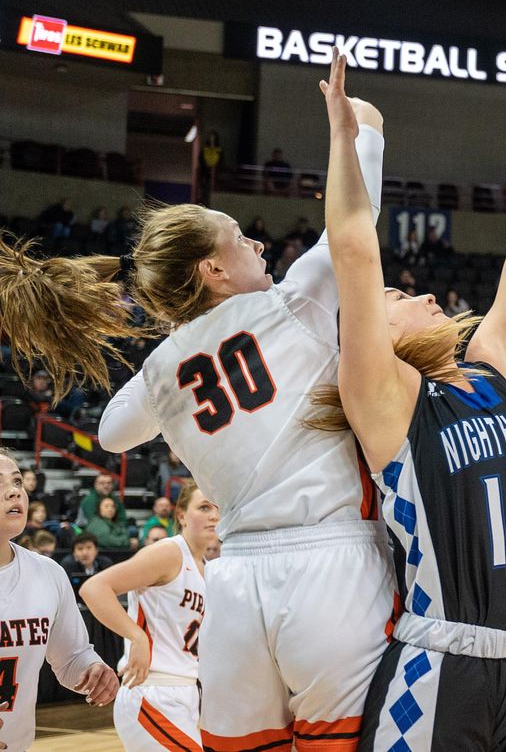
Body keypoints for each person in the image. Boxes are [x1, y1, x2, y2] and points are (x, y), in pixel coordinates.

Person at [0, 90, 394, 749]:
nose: (258, 240)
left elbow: (113, 432)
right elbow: (357, 219)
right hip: (331, 565)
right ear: (214, 268)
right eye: (241, 237)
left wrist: (178, 343)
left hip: (236, 586)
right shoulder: (295, 301)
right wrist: (367, 127)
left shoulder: (159, 371)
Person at [316, 54, 506, 749]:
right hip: (441, 663)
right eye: (401, 298)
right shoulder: (392, 399)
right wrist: (343, 143)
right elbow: (358, 255)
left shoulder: (491, 370)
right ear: (374, 338)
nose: (425, 295)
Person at [80, 482, 219, 751]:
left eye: (217, 508)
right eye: (204, 507)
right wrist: (137, 636)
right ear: (181, 516)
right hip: (152, 691)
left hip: (187, 693)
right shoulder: (169, 552)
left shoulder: (208, 570)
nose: (213, 515)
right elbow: (94, 588)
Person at [0, 448, 118, 750]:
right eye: (0, 484)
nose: (14, 492)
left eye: (17, 482)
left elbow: (71, 657)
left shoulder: (48, 572)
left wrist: (91, 668)